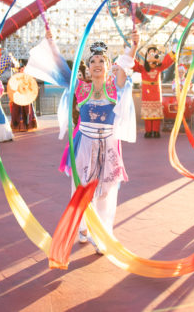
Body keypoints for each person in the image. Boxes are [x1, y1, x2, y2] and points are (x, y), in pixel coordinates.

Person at [25, 28, 137, 253]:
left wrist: (133, 47)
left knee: (106, 192)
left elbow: (125, 68)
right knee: (83, 189)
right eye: (93, 61)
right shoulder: (80, 88)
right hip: (84, 144)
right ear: (87, 67)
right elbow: (62, 70)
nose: (97, 64)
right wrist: (51, 42)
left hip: (108, 146)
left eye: (102, 61)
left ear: (108, 67)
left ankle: (103, 233)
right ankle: (85, 228)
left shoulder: (115, 87)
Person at [133, 45, 175, 138]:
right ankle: (148, 131)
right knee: (148, 115)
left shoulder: (159, 68)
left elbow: (167, 62)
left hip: (156, 94)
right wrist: (131, 53)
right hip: (146, 95)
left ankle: (156, 130)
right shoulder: (143, 69)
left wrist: (173, 52)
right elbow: (135, 66)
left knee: (156, 115)